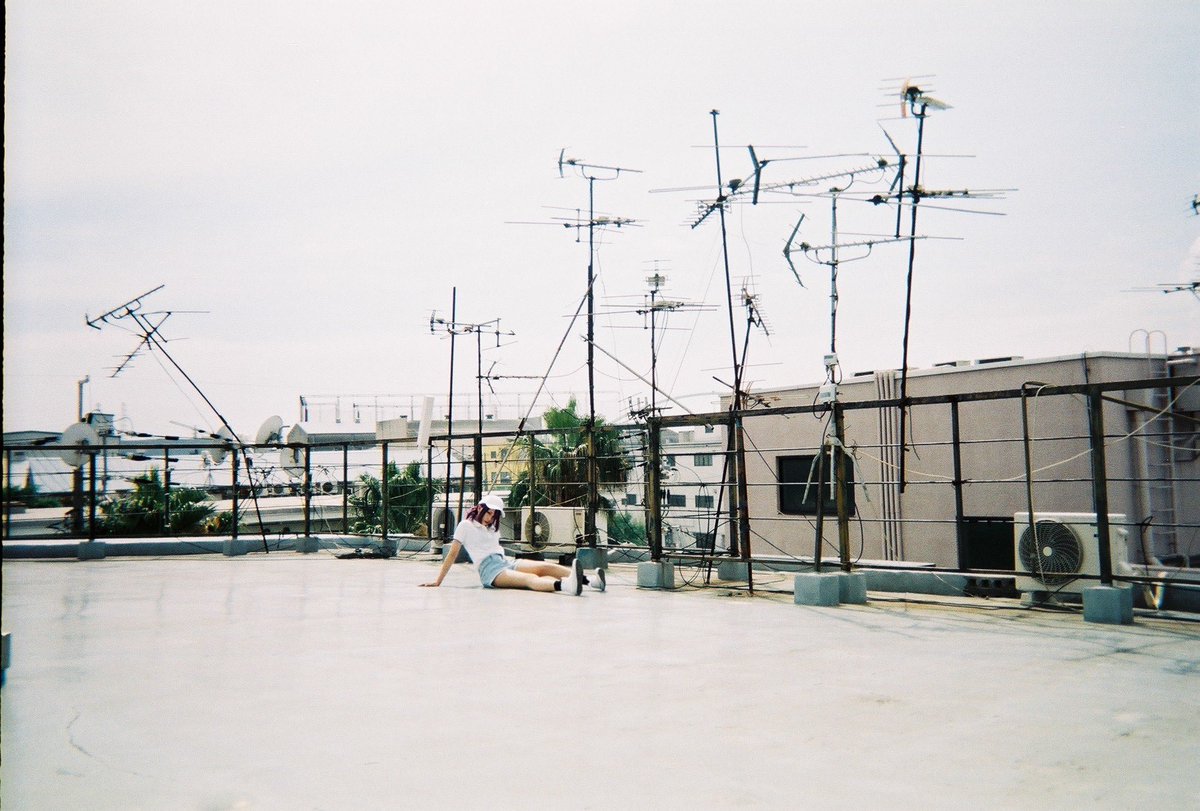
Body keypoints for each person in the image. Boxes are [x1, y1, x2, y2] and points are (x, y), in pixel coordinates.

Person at [419, 494, 605, 595]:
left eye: (494, 515)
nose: (491, 518)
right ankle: (566, 586)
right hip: (490, 571)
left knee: (545, 567)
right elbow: (452, 554)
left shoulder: (492, 528)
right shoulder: (465, 526)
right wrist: (438, 581)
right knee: (529, 579)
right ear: (480, 508)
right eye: (489, 513)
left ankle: (591, 581)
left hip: (505, 562)